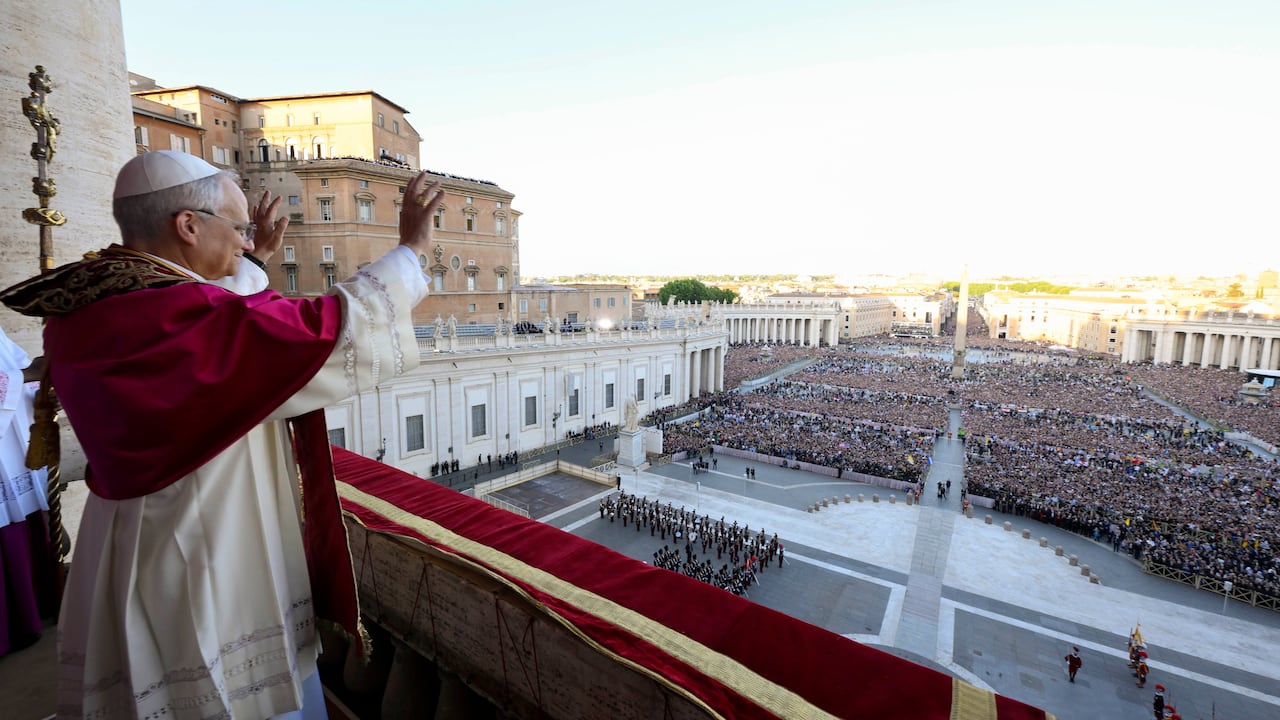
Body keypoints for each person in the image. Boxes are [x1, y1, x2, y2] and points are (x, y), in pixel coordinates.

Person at [1, 151, 445, 720]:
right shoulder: (177, 317)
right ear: (187, 225)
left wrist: (252, 259)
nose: (244, 242)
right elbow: (319, 331)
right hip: (203, 541)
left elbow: (224, 312)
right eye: (236, 229)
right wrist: (410, 252)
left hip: (132, 534)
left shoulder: (94, 300)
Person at [0, 326, 51, 657]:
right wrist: (30, 373)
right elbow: (21, 370)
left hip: (14, 449)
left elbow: (17, 367)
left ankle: (35, 611)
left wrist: (39, 390)